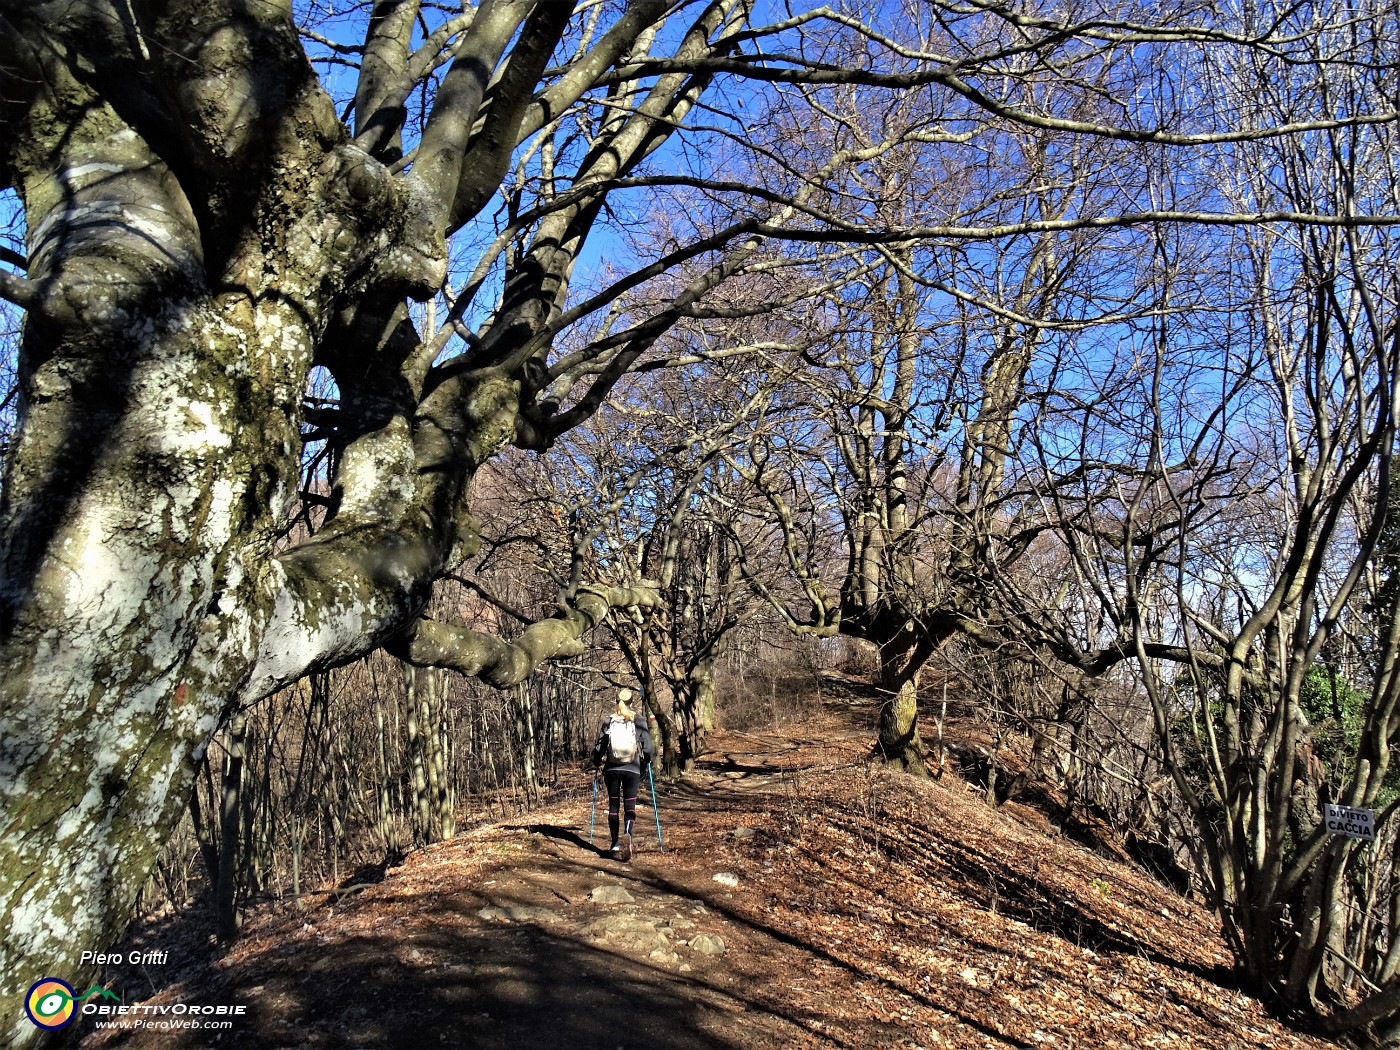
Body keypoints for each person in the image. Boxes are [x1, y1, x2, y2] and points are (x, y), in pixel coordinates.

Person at [592, 688, 653, 861]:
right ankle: (627, 832)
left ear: (616, 701)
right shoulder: (639, 720)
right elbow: (648, 748)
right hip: (632, 769)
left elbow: (599, 747)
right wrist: (647, 761)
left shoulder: (608, 720)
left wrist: (596, 760)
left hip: (612, 769)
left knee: (613, 806)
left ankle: (614, 843)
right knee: (629, 806)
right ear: (631, 702)